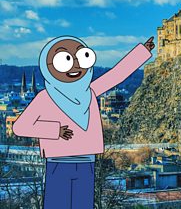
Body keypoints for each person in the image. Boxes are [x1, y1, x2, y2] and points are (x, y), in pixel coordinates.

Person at [13, 35, 154, 209]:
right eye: (64, 60)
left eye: (81, 58)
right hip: (59, 162)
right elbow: (20, 126)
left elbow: (116, 75)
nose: (75, 66)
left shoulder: (89, 92)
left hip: (87, 161)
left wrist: (142, 52)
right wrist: (55, 131)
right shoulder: (46, 97)